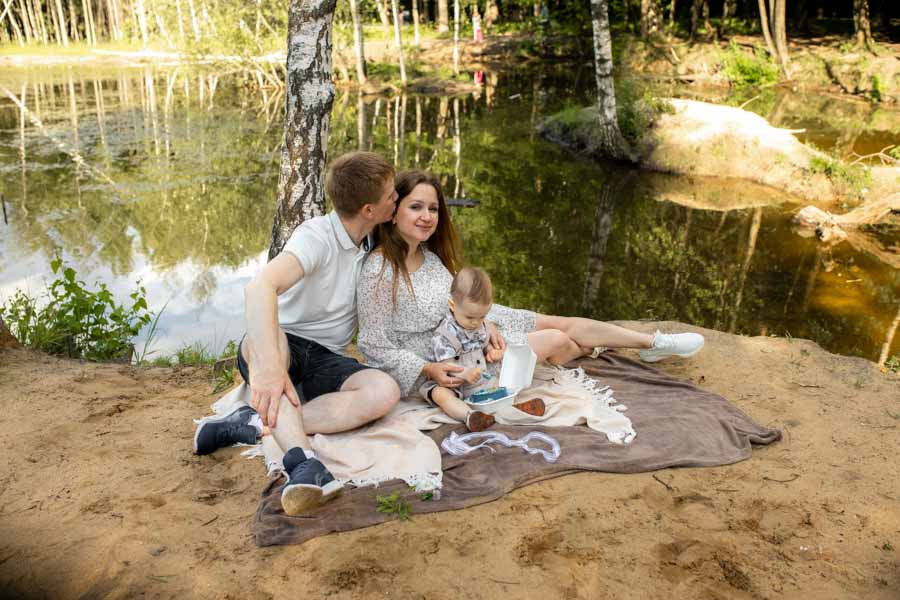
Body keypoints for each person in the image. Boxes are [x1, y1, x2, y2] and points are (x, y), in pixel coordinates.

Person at [356, 170, 704, 411]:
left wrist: (487, 325)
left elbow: (453, 305)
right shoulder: (380, 269)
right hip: (449, 357)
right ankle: (592, 347)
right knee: (558, 339)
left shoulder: (431, 260)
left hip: (475, 327)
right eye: (415, 207)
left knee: (559, 322)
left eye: (433, 208)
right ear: (392, 212)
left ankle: (653, 344)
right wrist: (428, 369)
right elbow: (372, 344)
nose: (427, 216)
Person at [193, 151, 402, 517]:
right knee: (271, 338)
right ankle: (303, 462)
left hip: (325, 357)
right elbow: (259, 288)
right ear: (368, 209)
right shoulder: (317, 235)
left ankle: (253, 422)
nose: (396, 197)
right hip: (279, 344)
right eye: (390, 194)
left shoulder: (372, 239)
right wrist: (272, 371)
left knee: (384, 391)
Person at [421, 266, 546, 432]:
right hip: (452, 383)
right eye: (470, 317)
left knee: (501, 387)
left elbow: (483, 342)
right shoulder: (443, 336)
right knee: (440, 395)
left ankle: (514, 409)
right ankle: (469, 416)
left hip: (479, 381)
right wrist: (464, 373)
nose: (475, 323)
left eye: (482, 317)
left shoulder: (480, 326)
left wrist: (491, 351)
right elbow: (446, 368)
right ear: (452, 305)